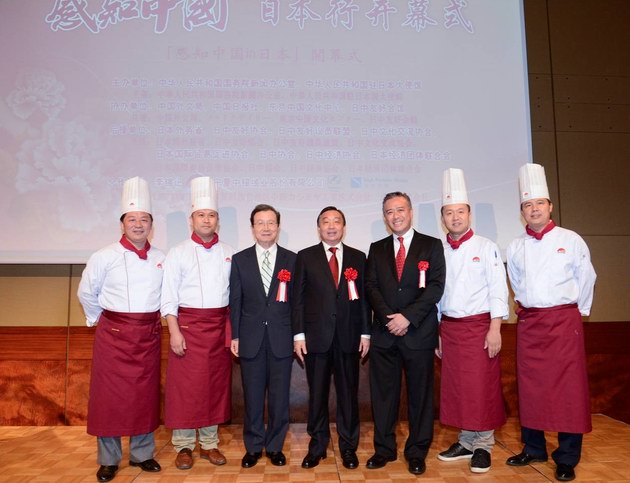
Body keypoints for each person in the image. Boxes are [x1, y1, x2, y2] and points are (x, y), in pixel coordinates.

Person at [506, 163, 596, 482]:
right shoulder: (516, 246)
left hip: (563, 322)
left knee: (569, 391)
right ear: (522, 211)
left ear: (550, 206)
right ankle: (534, 447)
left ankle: (567, 457)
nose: (534, 210)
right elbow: (516, 282)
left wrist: (576, 314)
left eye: (539, 204)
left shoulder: (570, 240)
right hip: (530, 323)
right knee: (530, 388)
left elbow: (587, 278)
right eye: (528, 205)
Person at [78, 176, 163, 482]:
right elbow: (86, 292)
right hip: (113, 335)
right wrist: (99, 320)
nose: (138, 224)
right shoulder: (104, 256)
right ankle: (109, 459)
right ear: (122, 224)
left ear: (151, 225)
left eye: (144, 219)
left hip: (149, 333)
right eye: (132, 219)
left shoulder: (161, 258)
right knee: (109, 399)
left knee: (144, 395)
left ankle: (143, 454)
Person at [365, 191, 445, 476]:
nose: (395, 216)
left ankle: (416, 451)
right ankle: (384, 449)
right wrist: (390, 318)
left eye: (400, 210)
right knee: (383, 395)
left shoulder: (432, 245)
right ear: (384, 216)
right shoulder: (376, 248)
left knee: (420, 396)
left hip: (418, 333)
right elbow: (371, 287)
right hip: (385, 333)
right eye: (389, 211)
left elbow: (435, 287)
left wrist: (408, 317)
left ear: (410, 212)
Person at [435, 168, 508, 473]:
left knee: (481, 387)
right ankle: (466, 441)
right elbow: (437, 295)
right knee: (458, 389)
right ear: (443, 217)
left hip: (480, 327)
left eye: (460, 212)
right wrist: (437, 331)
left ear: (469, 214)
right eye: (449, 213)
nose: (455, 218)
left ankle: (484, 445)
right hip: (449, 329)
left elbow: (498, 288)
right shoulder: (438, 251)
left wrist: (495, 328)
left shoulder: (486, 246)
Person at [161, 176, 234, 470]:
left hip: (218, 328)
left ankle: (209, 444)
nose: (207, 219)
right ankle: (183, 445)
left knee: (213, 388)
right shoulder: (177, 253)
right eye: (201, 215)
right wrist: (174, 332)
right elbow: (168, 298)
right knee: (185, 389)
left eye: (212, 215)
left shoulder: (230, 253)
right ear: (192, 220)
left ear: (218, 221)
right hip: (187, 328)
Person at [292, 206, 371, 470]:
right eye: (326, 221)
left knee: (348, 395)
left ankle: (349, 448)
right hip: (316, 338)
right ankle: (317, 447)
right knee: (317, 395)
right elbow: (298, 300)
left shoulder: (358, 257)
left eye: (337, 221)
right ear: (319, 227)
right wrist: (299, 335)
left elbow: (363, 299)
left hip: (349, 337)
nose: (331, 225)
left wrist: (366, 332)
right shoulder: (305, 257)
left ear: (344, 227)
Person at [229, 204, 296, 468]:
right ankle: (254, 446)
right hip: (250, 338)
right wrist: (235, 335)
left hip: (282, 338)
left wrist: (297, 335)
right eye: (260, 223)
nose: (266, 228)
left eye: (271, 223)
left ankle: (276, 446)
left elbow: (297, 303)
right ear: (253, 228)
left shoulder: (292, 259)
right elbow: (235, 301)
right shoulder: (240, 259)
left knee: (280, 398)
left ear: (278, 227)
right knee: (253, 396)